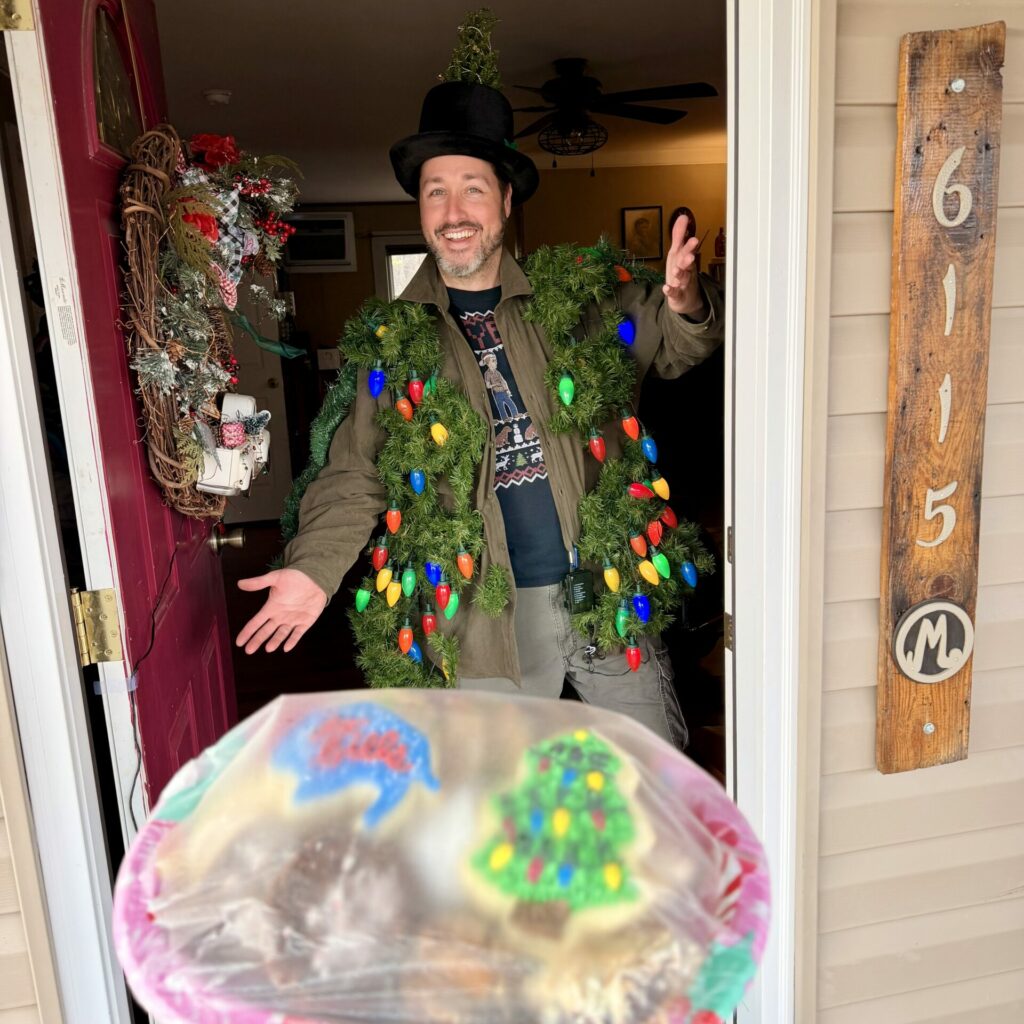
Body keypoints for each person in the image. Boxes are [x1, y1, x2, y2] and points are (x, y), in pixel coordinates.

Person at [235, 51, 724, 749]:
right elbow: (354, 474)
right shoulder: (393, 346)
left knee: (651, 776)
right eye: (435, 192)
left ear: (506, 200)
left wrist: (685, 298)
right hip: (484, 620)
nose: (454, 212)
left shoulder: (580, 302)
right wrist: (314, 568)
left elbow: (677, 342)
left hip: (610, 594)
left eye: (472, 188)